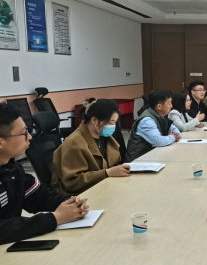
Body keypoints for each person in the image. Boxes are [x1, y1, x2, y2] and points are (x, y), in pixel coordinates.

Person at [0, 102, 89, 245]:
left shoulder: (12, 169)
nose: (30, 137)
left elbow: (38, 196)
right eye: (23, 133)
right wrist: (54, 218)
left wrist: (69, 202)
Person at [51, 98, 130, 195]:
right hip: (80, 194)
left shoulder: (103, 137)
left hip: (102, 186)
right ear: (94, 120)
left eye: (115, 122)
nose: (113, 126)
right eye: (110, 123)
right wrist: (107, 173)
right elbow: (72, 182)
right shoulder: (74, 143)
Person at [126, 89, 181, 161]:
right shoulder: (146, 121)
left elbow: (175, 130)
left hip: (152, 156)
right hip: (138, 160)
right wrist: (172, 137)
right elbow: (158, 141)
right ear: (159, 106)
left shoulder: (161, 116)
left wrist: (175, 135)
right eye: (169, 103)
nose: (171, 106)